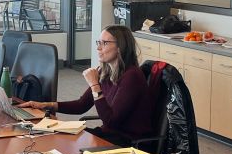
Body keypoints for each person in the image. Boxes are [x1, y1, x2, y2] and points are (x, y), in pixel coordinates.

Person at [19, 25, 152, 146]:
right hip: (109, 135)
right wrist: (46, 105)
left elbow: (111, 121)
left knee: (65, 143)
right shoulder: (105, 72)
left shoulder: (132, 76)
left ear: (120, 47)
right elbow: (81, 105)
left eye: (104, 43)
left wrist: (95, 85)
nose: (98, 48)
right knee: (53, 135)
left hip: (128, 141)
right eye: (98, 42)